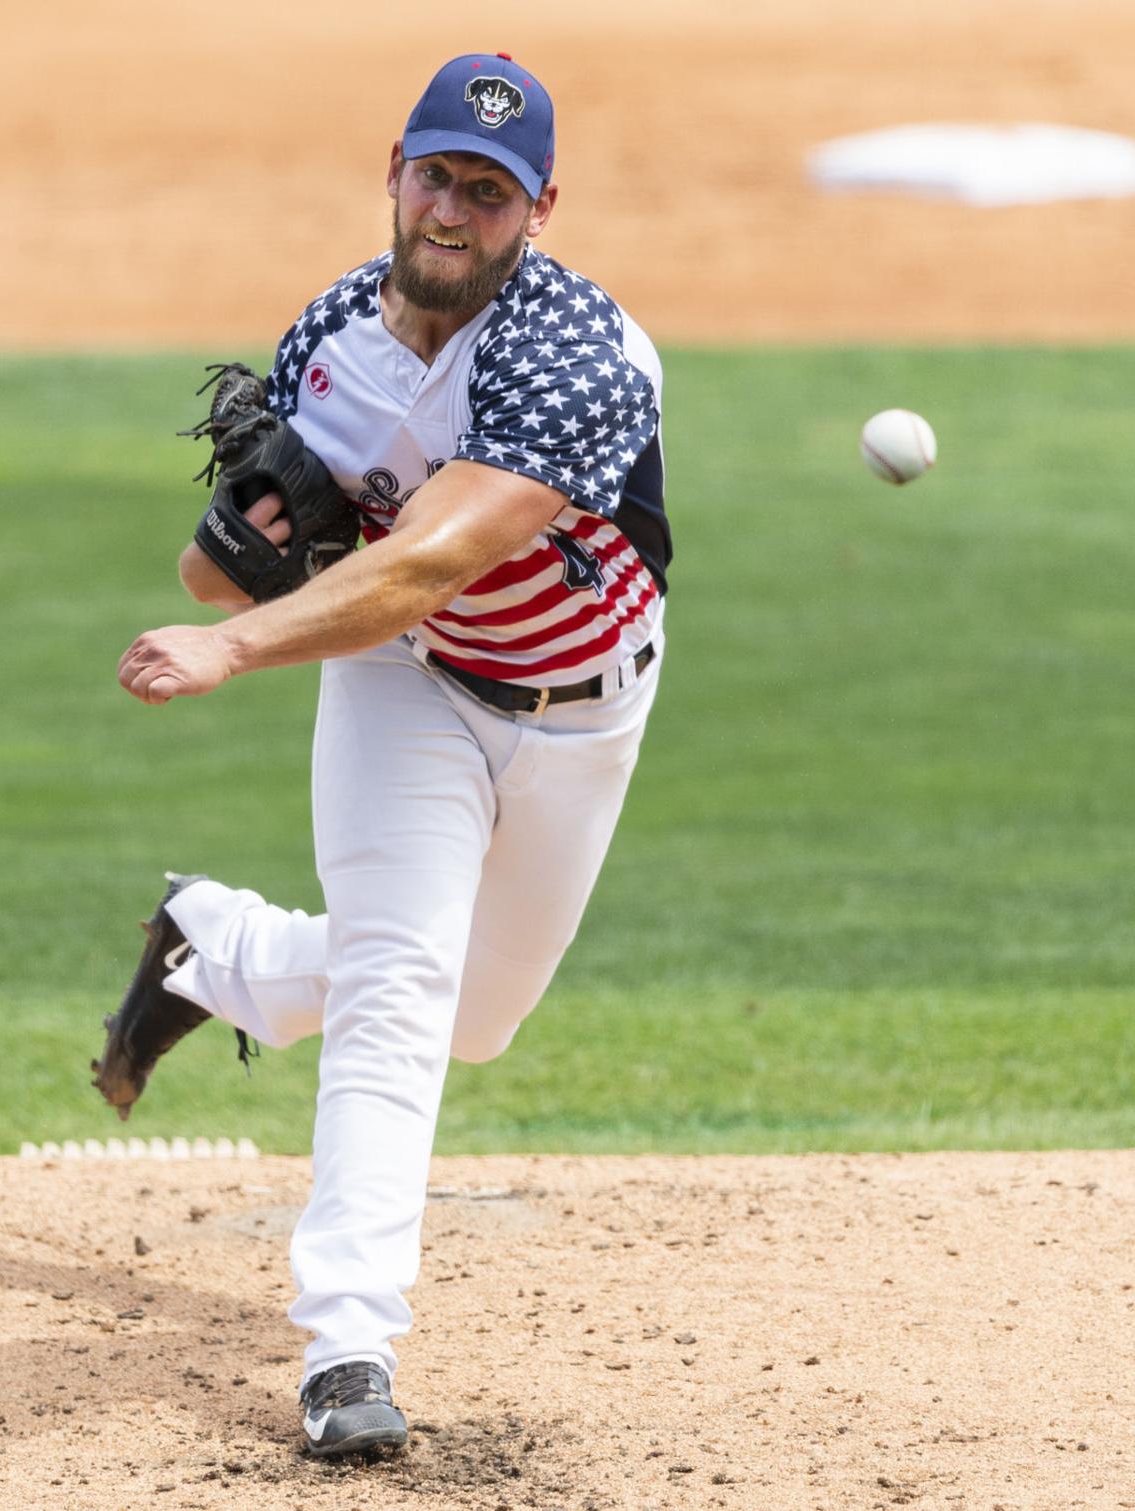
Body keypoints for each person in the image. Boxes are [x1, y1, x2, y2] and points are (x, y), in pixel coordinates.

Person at [93, 52, 671, 1458]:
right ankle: (348, 1347)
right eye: (437, 178)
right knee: (404, 983)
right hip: (402, 688)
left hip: (580, 708)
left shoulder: (580, 355)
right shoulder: (327, 340)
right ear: (394, 176)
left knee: (476, 1020)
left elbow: (429, 560)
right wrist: (240, 557)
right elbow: (221, 567)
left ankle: (210, 949)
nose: (454, 211)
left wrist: (232, 645)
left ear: (538, 209)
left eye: (490, 190)